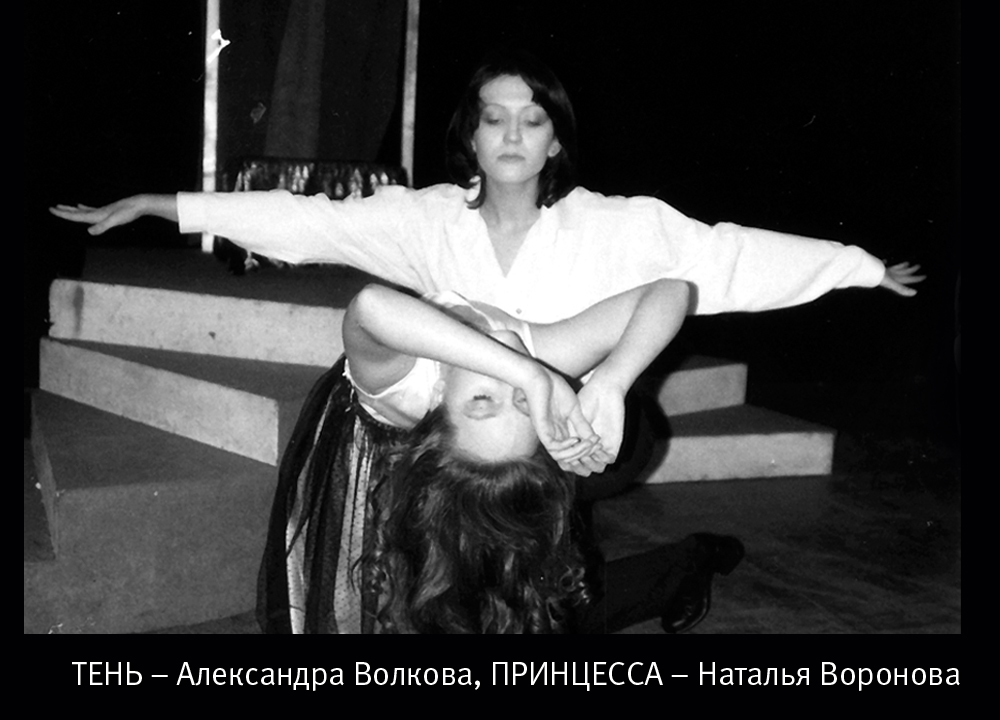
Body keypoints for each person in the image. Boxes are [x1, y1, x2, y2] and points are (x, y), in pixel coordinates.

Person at [51, 47, 921, 631]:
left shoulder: (617, 226)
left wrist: (852, 266)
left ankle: (646, 572)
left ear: (555, 138)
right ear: (468, 134)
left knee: (525, 593)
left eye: (531, 119)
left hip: (548, 425)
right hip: (422, 430)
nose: (510, 134)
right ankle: (667, 571)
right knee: (443, 599)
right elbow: (311, 223)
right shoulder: (427, 220)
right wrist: (166, 205)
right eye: (493, 118)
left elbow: (717, 259)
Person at [275, 277, 688, 633]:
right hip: (451, 481)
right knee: (492, 590)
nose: (508, 383)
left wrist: (529, 377)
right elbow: (670, 290)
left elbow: (369, 306)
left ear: (439, 397)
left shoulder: (400, 382)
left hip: (387, 478)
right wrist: (611, 381)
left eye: (483, 400)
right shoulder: (534, 363)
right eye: (523, 403)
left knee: (396, 600)